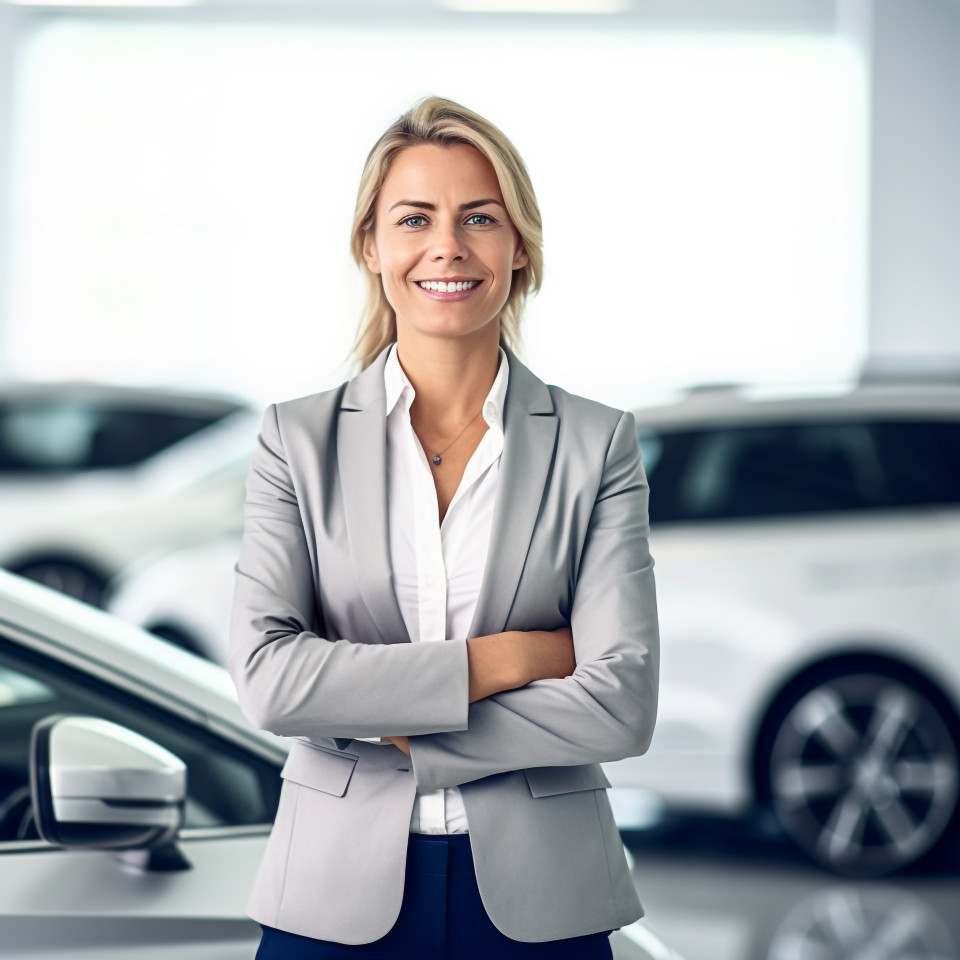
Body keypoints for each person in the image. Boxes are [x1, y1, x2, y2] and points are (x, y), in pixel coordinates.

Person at [229, 95, 660, 960]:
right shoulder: (296, 440)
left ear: (520, 247)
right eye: (414, 218)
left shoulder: (596, 443)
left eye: (479, 218)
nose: (448, 246)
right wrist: (509, 659)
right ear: (370, 246)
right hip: (332, 894)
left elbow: (620, 706)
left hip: (546, 896)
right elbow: (272, 681)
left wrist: (392, 719)